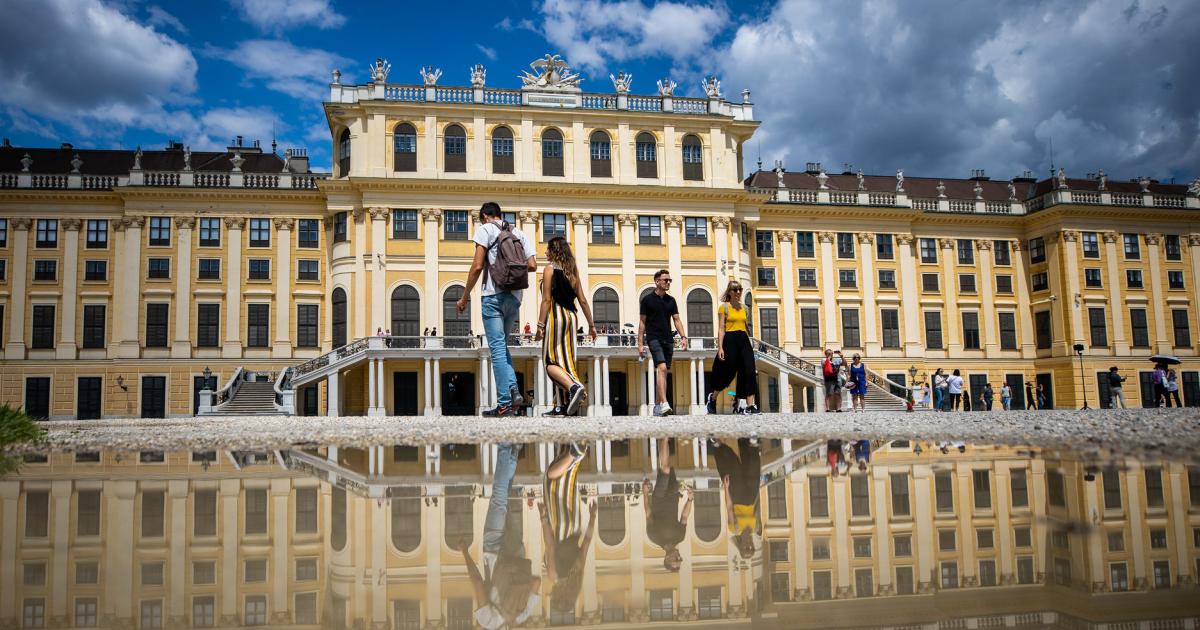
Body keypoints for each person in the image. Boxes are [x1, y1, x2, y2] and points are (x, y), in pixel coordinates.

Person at [459, 202, 537, 417]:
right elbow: (532, 264)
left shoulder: (485, 229)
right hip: (514, 297)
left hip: (493, 296)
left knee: (496, 350)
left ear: (485, 216)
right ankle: (513, 391)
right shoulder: (518, 232)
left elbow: (476, 267)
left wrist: (464, 297)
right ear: (500, 215)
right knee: (502, 346)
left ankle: (504, 403)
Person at [461, 442, 540, 629]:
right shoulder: (488, 622)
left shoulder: (521, 617)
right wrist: (464, 552)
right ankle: (506, 446)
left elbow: (536, 582)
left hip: (516, 554)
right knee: (499, 497)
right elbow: (478, 582)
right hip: (494, 552)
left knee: (504, 497)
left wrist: (516, 583)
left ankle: (514, 452)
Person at [533, 237, 597, 416]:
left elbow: (546, 300)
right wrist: (592, 325)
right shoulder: (572, 271)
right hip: (572, 318)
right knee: (565, 361)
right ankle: (561, 406)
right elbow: (583, 300)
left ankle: (574, 386)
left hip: (555, 317)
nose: (545, 253)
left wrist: (540, 325)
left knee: (550, 362)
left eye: (548, 250)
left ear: (555, 251)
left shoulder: (549, 270)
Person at [540, 443, 597, 615]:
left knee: (568, 483)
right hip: (560, 528)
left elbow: (586, 543)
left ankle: (576, 448)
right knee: (552, 479)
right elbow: (550, 547)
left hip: (575, 526)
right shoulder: (554, 577)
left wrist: (593, 516)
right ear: (558, 596)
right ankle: (575, 454)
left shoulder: (577, 575)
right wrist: (543, 519)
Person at [705, 281, 759, 415]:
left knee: (749, 371)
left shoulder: (745, 308)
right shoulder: (724, 307)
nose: (739, 293)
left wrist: (752, 338)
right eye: (735, 290)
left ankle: (750, 406)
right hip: (730, 340)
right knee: (727, 373)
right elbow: (721, 329)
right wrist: (720, 348)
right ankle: (712, 398)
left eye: (740, 290)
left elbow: (745, 326)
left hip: (744, 341)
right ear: (729, 292)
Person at [639, 270, 687, 416]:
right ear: (657, 281)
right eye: (665, 280)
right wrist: (640, 344)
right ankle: (665, 403)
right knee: (662, 369)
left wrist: (684, 337)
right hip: (654, 338)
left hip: (668, 340)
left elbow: (676, 320)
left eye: (669, 280)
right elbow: (642, 322)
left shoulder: (671, 301)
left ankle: (658, 406)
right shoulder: (647, 300)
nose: (668, 283)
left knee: (663, 372)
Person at [644, 438, 693, 573]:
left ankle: (664, 437)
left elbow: (648, 514)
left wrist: (645, 493)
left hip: (659, 498)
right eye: (680, 559)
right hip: (673, 496)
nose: (678, 557)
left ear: (666, 559)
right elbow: (684, 517)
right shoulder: (680, 536)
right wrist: (689, 500)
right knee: (667, 466)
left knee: (665, 468)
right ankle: (662, 438)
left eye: (675, 560)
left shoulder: (654, 537)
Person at [710, 438, 761, 560]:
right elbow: (757, 507)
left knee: (733, 464)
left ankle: (718, 445)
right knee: (753, 469)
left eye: (745, 549)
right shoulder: (756, 528)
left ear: (740, 546)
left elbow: (729, 508)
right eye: (751, 548)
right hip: (751, 495)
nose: (749, 546)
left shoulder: (734, 529)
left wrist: (726, 488)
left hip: (737, 496)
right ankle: (752, 444)